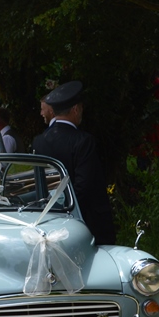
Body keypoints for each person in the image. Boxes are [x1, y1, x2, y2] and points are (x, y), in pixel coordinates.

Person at [32, 81, 117, 245]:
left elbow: (39, 182)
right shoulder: (83, 141)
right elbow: (85, 185)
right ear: (76, 109)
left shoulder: (39, 142)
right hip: (85, 219)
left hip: (49, 215)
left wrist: (55, 208)